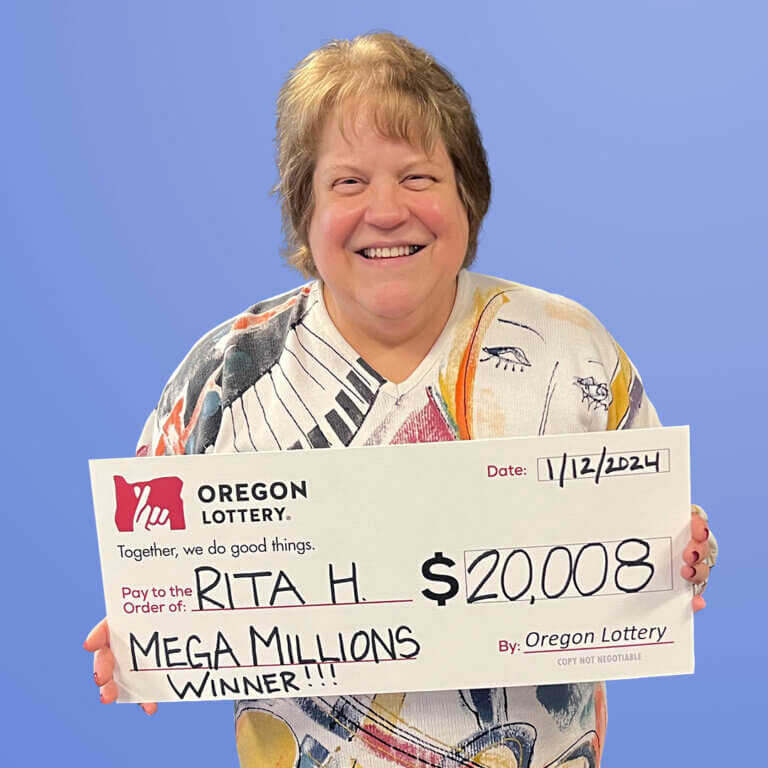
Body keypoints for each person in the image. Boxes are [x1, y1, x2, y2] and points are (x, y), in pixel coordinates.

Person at [85, 32, 716, 767]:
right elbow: (156, 570)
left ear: (466, 195)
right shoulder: (225, 377)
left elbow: (663, 525)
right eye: (348, 182)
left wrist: (687, 553)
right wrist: (142, 633)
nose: (386, 211)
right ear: (305, 207)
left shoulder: (569, 348)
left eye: (418, 177)